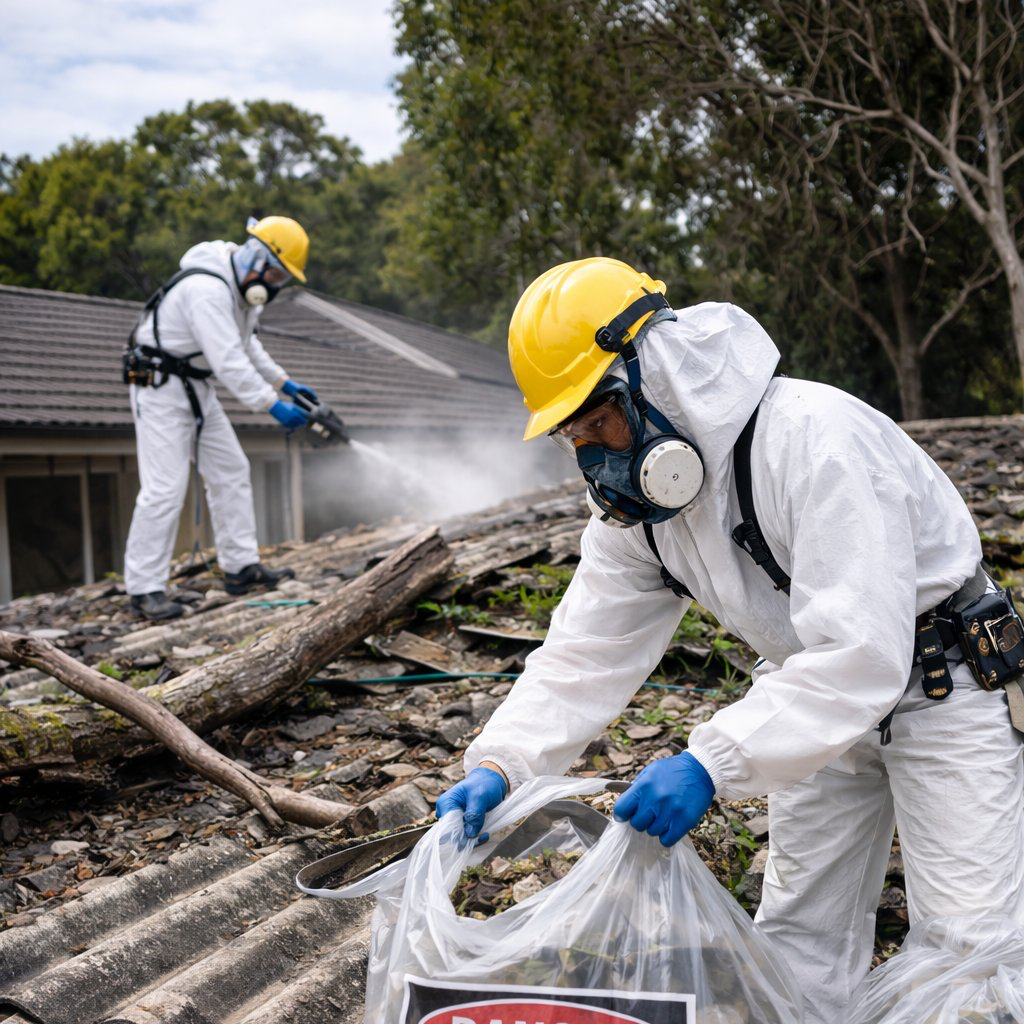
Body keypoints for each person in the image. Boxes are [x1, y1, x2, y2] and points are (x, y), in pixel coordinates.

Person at [436, 257, 1024, 1022]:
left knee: (971, 956)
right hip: (804, 706)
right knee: (798, 943)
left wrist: (710, 761)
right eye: (573, 436)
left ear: (656, 368)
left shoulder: (814, 439)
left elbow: (861, 654)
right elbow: (583, 655)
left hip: (944, 686)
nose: (595, 456)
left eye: (601, 418)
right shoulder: (640, 517)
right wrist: (503, 761)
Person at [123, 215, 319, 621]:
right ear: (258, 258)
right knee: (164, 488)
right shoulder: (207, 290)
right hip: (159, 388)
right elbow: (228, 361)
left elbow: (248, 346)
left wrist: (286, 383)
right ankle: (144, 590)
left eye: (283, 279)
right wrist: (272, 404)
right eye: (278, 275)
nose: (277, 285)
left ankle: (240, 567)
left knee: (231, 469)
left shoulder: (239, 291)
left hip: (194, 387)